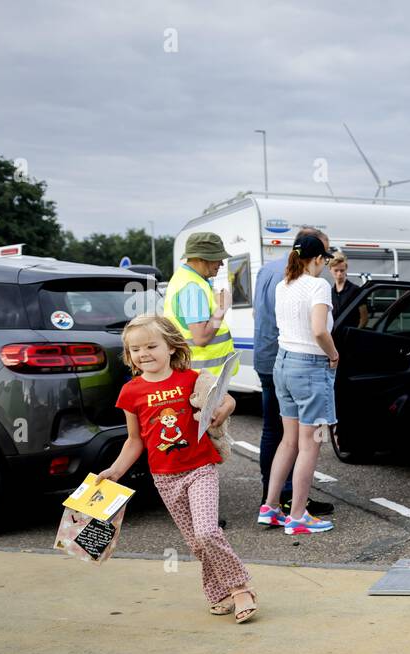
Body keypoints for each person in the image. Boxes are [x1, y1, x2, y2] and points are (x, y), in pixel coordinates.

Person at [100, 314, 257, 623]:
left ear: (171, 347)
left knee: (208, 532)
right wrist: (115, 472)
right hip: (164, 477)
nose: (143, 354)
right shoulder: (131, 392)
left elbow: (227, 401)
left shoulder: (191, 378)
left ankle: (241, 588)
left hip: (200, 467)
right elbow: (135, 441)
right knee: (197, 543)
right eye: (135, 349)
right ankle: (218, 594)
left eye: (151, 346)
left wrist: (223, 410)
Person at [253, 229, 335, 517]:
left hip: (282, 365)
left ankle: (270, 506)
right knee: (310, 445)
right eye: (324, 258)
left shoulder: (283, 285)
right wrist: (334, 354)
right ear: (316, 259)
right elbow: (318, 331)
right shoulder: (318, 286)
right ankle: (299, 516)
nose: (325, 264)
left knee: (287, 441)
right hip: (310, 366)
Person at [163, 232, 239, 377]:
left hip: (197, 375)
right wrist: (222, 307)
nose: (222, 264)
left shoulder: (183, 278)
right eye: (218, 259)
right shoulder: (193, 287)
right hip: (203, 379)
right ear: (202, 258)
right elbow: (201, 338)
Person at [328, 252, 368, 328]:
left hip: (350, 336)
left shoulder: (356, 290)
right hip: (334, 336)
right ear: (330, 270)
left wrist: (354, 335)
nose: (339, 274)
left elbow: (364, 319)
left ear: (346, 269)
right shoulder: (330, 293)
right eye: (336, 270)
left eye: (342, 270)